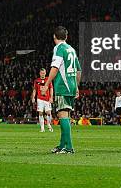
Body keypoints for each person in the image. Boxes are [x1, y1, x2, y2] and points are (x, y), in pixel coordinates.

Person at [41, 26, 81, 154]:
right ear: (66, 37)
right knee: (65, 115)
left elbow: (55, 67)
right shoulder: (71, 49)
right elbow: (78, 70)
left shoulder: (59, 48)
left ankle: (69, 147)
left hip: (63, 85)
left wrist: (47, 84)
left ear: (54, 37)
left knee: (62, 114)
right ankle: (62, 145)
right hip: (72, 85)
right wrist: (77, 86)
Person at [31, 68, 53, 132]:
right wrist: (33, 97)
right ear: (39, 73)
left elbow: (51, 88)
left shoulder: (48, 80)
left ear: (45, 73)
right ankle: (42, 128)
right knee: (40, 113)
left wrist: (51, 97)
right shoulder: (37, 81)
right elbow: (35, 89)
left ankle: (49, 125)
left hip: (47, 99)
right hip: (39, 99)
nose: (43, 74)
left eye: (44, 73)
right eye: (41, 73)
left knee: (48, 113)